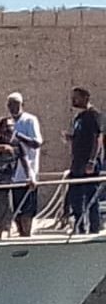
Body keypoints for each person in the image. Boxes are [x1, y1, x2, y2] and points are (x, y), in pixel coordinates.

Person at [0, 117, 35, 242]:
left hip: (5, 187)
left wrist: (31, 177)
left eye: (11, 127)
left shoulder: (18, 144)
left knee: (1, 220)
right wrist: (3, 147)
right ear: (0, 129)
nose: (8, 130)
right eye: (5, 127)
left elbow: (25, 161)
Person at [65, 87, 103, 234]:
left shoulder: (93, 115)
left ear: (86, 97)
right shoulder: (79, 118)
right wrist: (71, 138)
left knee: (91, 196)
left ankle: (94, 228)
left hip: (88, 164)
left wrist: (92, 161)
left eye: (76, 97)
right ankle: (79, 227)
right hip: (77, 164)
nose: (73, 100)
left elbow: (96, 139)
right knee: (75, 197)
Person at [7, 92, 43, 236]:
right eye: (10, 104)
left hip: (28, 174)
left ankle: (27, 235)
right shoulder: (8, 122)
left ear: (22, 104)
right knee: (17, 210)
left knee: (28, 210)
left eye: (16, 104)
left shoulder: (30, 120)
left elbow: (36, 143)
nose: (13, 107)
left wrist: (18, 136)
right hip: (13, 174)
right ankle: (20, 234)